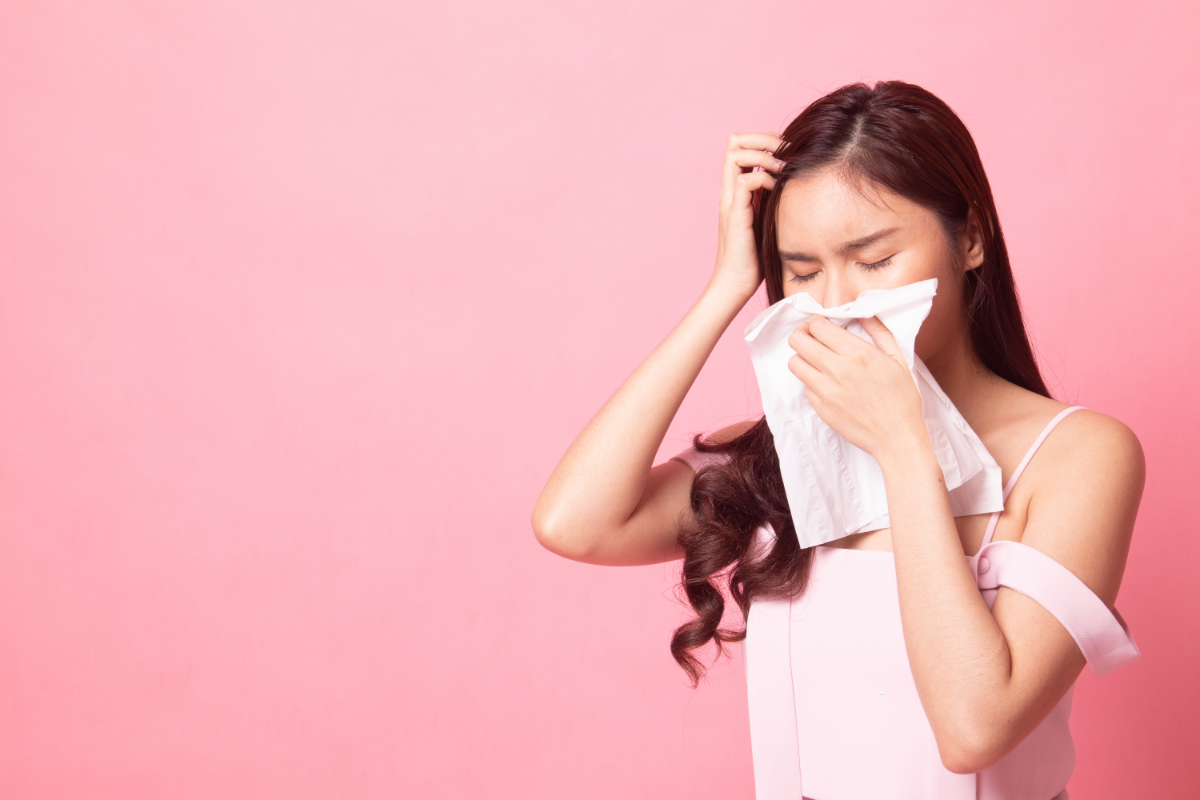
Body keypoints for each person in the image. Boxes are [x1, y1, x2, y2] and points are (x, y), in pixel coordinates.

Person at [531, 81, 1144, 800]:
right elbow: (573, 522)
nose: (836, 304)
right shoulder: (775, 460)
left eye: (874, 260)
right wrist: (728, 286)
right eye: (803, 270)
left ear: (970, 239)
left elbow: (975, 727)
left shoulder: (1080, 458)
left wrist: (903, 447)